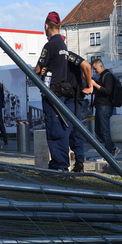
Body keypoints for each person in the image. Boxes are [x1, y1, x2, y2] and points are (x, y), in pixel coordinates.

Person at [34, 11, 75, 171]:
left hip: (52, 94)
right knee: (62, 129)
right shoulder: (62, 45)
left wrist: (40, 70)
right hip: (62, 93)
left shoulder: (50, 45)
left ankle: (59, 165)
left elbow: (37, 69)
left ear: (46, 26)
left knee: (54, 129)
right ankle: (60, 163)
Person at [66, 52, 93, 172]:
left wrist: (89, 85)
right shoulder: (58, 57)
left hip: (74, 98)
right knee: (69, 132)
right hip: (68, 98)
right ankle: (76, 162)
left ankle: (79, 162)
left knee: (75, 131)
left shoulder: (67, 56)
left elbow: (87, 66)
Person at [91, 59, 120, 158]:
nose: (95, 71)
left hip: (105, 106)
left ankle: (109, 153)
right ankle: (112, 148)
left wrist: (95, 85)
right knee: (98, 131)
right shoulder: (102, 76)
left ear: (101, 66)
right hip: (100, 106)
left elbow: (107, 91)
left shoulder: (107, 76)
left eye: (95, 69)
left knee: (104, 130)